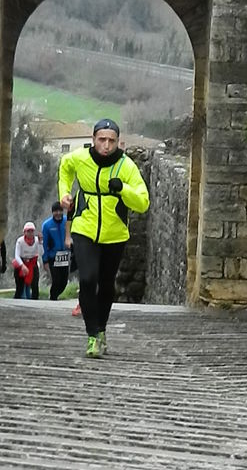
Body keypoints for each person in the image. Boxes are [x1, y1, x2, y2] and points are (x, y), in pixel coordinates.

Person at [59, 118, 149, 358]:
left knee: (107, 284)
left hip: (115, 233)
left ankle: (102, 329)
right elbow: (65, 168)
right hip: (84, 227)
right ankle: (92, 334)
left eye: (111, 141)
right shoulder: (80, 158)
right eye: (102, 140)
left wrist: (123, 189)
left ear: (118, 142)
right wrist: (65, 193)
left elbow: (142, 202)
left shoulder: (127, 166)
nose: (106, 146)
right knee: (88, 279)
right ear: (93, 140)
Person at [42, 201, 70, 300]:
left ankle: (55, 296)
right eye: (55, 211)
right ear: (52, 212)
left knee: (64, 282)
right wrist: (44, 260)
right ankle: (53, 298)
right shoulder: (47, 225)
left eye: (60, 211)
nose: (58, 213)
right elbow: (44, 244)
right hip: (53, 256)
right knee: (56, 280)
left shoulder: (67, 221)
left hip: (65, 255)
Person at [12, 222, 43, 299]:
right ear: (24, 232)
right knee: (20, 287)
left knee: (35, 286)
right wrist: (22, 266)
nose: (30, 233)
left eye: (32, 231)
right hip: (21, 263)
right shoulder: (20, 241)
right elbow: (17, 255)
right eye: (28, 231)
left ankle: (35, 302)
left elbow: (41, 253)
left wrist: (40, 243)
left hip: (33, 263)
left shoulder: (36, 240)